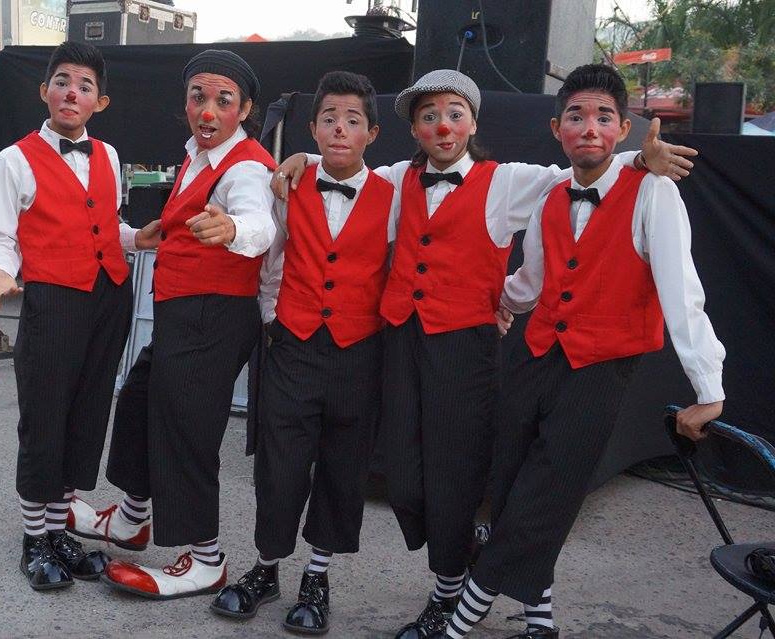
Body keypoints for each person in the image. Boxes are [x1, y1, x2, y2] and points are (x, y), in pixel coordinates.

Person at [273, 69, 694, 638]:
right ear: (414, 129)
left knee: (453, 478)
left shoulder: (508, 181)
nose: (442, 126)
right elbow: (345, 165)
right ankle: (474, 561)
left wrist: (638, 161)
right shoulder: (395, 179)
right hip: (401, 339)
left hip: (464, 348)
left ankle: (449, 590)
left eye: (454, 114)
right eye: (429, 116)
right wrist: (300, 158)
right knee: (405, 479)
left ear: (472, 123)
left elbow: (579, 172)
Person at [442, 64, 725, 639]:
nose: (589, 128)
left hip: (601, 364)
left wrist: (708, 386)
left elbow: (682, 291)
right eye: (576, 116)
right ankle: (540, 620)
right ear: (556, 129)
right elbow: (532, 279)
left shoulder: (654, 191)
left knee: (546, 494)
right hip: (536, 353)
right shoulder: (551, 194)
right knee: (511, 482)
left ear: (623, 128)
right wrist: (499, 303)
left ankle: (462, 617)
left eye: (603, 117)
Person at [69, 49, 278, 600]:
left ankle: (206, 560)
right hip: (184, 310)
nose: (208, 111)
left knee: (187, 429)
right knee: (140, 400)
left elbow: (259, 223)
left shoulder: (247, 166)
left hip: (215, 313)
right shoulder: (197, 156)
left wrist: (233, 229)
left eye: (223, 101)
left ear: (244, 109)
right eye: (197, 97)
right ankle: (132, 519)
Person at [209, 70, 398, 635]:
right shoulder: (287, 185)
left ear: (372, 133)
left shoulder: (394, 194)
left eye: (353, 120)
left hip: (359, 350)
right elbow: (272, 259)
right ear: (313, 128)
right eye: (329, 118)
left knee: (343, 467)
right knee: (279, 464)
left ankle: (317, 576)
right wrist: (274, 321)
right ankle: (266, 567)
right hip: (293, 343)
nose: (340, 128)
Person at [0, 41, 159, 591]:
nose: (71, 93)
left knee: (86, 415)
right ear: (44, 91)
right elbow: (1, 233)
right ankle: (34, 539)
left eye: (83, 85)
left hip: (108, 297)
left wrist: (136, 238)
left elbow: (105, 223)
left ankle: (59, 532)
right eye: (61, 82)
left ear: (99, 101)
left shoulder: (109, 155)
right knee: (45, 417)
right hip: (54, 299)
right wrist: (2, 271)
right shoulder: (14, 160)